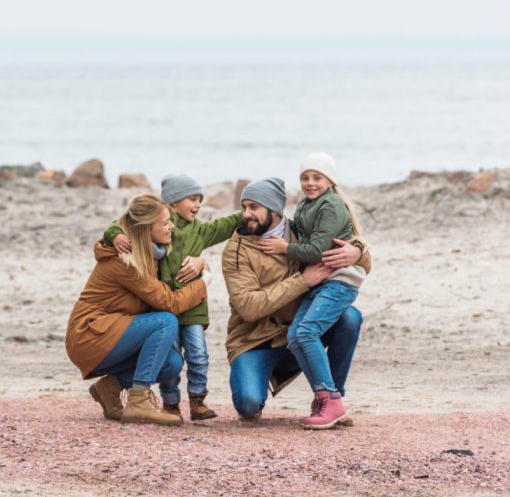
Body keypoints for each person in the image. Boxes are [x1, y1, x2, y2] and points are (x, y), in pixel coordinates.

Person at [221, 178, 372, 428]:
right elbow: (248, 307)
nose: (246, 214)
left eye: (254, 207)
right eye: (244, 207)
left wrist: (359, 252)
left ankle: (331, 400)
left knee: (349, 317)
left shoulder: (301, 232)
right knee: (248, 405)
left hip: (297, 334)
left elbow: (353, 255)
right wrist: (303, 281)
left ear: (274, 209)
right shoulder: (236, 251)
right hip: (255, 341)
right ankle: (258, 375)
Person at [65, 193, 212, 426]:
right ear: (145, 229)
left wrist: (200, 262)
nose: (171, 226)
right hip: (89, 334)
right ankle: (139, 400)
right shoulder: (126, 260)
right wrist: (204, 282)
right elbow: (170, 303)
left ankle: (110, 387)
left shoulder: (151, 254)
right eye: (165, 223)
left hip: (111, 333)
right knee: (165, 321)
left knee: (171, 363)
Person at [103, 174, 242, 421]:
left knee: (199, 355)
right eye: (192, 199)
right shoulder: (161, 225)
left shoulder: (201, 231)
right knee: (172, 360)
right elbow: (123, 223)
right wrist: (115, 235)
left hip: (195, 309)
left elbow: (226, 224)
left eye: (200, 199)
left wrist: (251, 210)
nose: (198, 205)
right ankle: (170, 403)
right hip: (165, 310)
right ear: (173, 202)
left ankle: (198, 401)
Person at [257, 153, 367, 428]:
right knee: (296, 335)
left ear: (330, 181)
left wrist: (285, 249)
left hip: (338, 282)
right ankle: (328, 399)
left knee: (306, 332)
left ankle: (330, 399)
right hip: (320, 282)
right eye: (305, 177)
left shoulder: (330, 206)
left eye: (317, 177)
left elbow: (318, 249)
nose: (310, 182)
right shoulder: (308, 205)